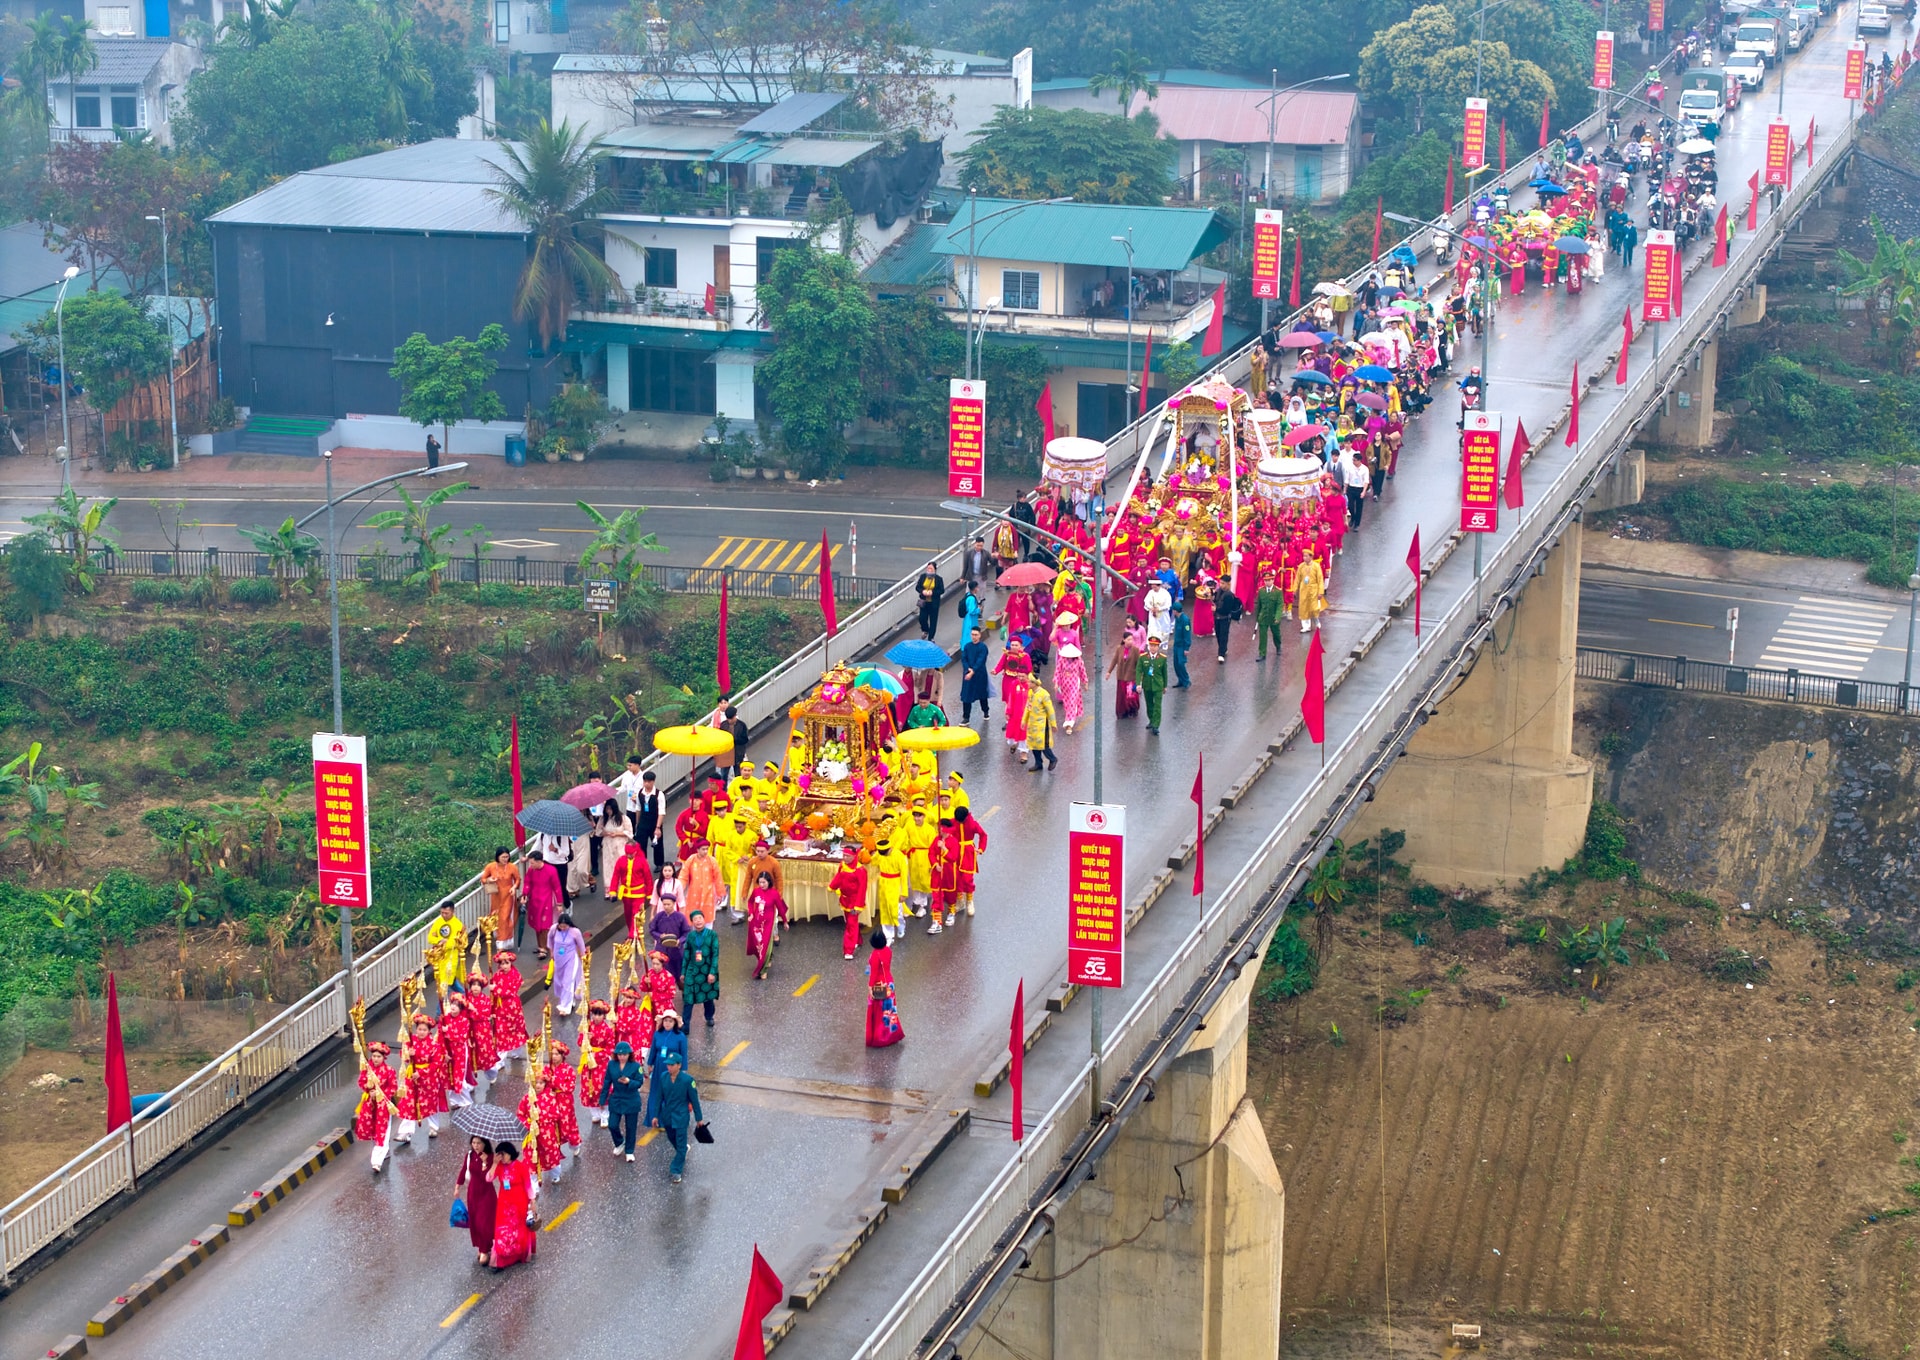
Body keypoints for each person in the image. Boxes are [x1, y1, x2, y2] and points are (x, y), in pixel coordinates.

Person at [645, 1054, 707, 1184]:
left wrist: (699, 1118)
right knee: (672, 1138)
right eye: (668, 1064)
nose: (669, 1067)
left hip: (681, 1116)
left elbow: (694, 1100)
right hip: (667, 1116)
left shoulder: (688, 1080)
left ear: (679, 1065)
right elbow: (659, 1097)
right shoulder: (663, 1077)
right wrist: (655, 1115)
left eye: (672, 1065)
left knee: (680, 1139)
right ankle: (683, 1150)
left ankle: (676, 1170)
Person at [487, 1142, 538, 1268]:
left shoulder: (521, 1167)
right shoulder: (499, 1167)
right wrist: (494, 1163)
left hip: (519, 1203)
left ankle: (518, 1253)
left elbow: (528, 1186)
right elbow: (488, 1178)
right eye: (499, 1155)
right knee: (504, 1230)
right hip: (504, 1204)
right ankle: (503, 1255)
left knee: (519, 1229)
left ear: (510, 1154)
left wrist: (532, 1201)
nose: (501, 1157)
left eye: (503, 1154)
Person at [355, 1041, 399, 1173]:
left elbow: (393, 1088)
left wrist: (380, 1093)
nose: (375, 1059)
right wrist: (368, 1090)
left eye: (378, 1056)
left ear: (383, 1058)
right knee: (373, 1130)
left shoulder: (389, 1071)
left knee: (383, 1131)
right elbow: (361, 1082)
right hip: (369, 1103)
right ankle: (383, 1152)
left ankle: (376, 1162)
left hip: (384, 1105)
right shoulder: (367, 1069)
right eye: (374, 1056)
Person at [599, 1041, 647, 1161]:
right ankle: (620, 1142)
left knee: (631, 1127)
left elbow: (639, 1082)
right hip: (617, 1098)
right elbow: (607, 1081)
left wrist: (629, 1082)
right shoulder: (611, 1065)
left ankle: (629, 1151)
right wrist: (602, 1099)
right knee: (612, 1124)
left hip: (631, 1099)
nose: (622, 1057)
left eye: (624, 1054)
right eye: (619, 1054)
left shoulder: (636, 1066)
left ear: (629, 1054)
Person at [455, 1135, 497, 1263]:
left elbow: (489, 1177)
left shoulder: (491, 1157)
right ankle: (482, 1246)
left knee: (483, 1222)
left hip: (487, 1194)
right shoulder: (470, 1155)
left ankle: (485, 1249)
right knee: (475, 1223)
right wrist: (457, 1187)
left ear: (485, 1144)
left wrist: (486, 1163)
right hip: (473, 1193)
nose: (476, 1146)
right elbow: (464, 1171)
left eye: (479, 1143)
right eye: (473, 1143)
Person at [864, 929, 904, 1048]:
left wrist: (870, 987)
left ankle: (880, 1037)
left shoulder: (875, 955)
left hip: (879, 984)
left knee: (879, 1012)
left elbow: (874, 974)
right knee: (890, 1011)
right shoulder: (888, 951)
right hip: (889, 983)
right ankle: (892, 1034)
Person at [828, 845, 869, 960]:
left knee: (851, 924)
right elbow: (839, 877)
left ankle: (848, 950)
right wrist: (832, 886)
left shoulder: (860, 871)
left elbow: (862, 889)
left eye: (847, 856)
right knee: (851, 923)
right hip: (845, 899)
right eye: (844, 855)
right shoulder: (843, 865)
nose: (844, 858)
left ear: (854, 856)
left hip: (854, 901)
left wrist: (858, 905)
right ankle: (858, 940)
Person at [681, 908, 720, 1027]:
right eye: (695, 919)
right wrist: (683, 972)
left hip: (707, 970)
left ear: (704, 919)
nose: (698, 921)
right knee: (688, 998)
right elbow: (687, 955)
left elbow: (715, 954)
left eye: (700, 918)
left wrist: (712, 972)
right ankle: (685, 1024)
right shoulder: (691, 936)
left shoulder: (712, 935)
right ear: (692, 922)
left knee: (707, 997)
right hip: (692, 970)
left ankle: (709, 1017)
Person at [608, 837, 653, 940]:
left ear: (636, 851)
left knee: (635, 915)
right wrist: (613, 891)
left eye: (631, 854)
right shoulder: (621, 860)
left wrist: (650, 894)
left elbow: (648, 878)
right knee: (628, 916)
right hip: (626, 894)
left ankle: (632, 936)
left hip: (639, 893)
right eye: (627, 853)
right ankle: (632, 932)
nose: (629, 856)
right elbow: (616, 876)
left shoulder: (642, 861)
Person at [746, 870, 784, 980]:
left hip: (769, 922)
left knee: (765, 946)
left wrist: (785, 921)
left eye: (764, 883)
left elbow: (780, 908)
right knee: (760, 945)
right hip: (758, 923)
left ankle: (762, 969)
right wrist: (751, 913)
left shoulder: (774, 893)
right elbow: (750, 902)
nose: (761, 885)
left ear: (769, 882)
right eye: (760, 882)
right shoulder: (756, 891)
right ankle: (768, 958)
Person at [479, 848, 521, 947]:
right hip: (496, 895)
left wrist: (514, 887)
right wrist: (490, 880)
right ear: (498, 857)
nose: (505, 859)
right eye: (503, 857)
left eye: (507, 857)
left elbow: (518, 879)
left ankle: (502, 943)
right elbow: (483, 879)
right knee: (496, 916)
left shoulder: (512, 867)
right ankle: (500, 940)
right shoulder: (491, 866)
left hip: (508, 895)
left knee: (505, 917)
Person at [547, 911, 587, 1015]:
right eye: (561, 926)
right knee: (559, 982)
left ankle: (565, 1007)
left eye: (565, 926)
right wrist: (551, 952)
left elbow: (581, 946)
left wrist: (584, 957)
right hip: (558, 959)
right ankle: (570, 999)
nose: (563, 928)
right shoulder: (554, 929)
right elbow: (550, 939)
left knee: (567, 982)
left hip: (571, 959)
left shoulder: (575, 932)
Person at [648, 890, 691, 983]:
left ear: (674, 904)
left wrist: (680, 941)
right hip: (661, 950)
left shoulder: (680, 917)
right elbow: (652, 929)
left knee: (679, 974)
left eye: (669, 904)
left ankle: (684, 992)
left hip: (676, 950)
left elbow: (686, 932)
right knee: (662, 974)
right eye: (664, 904)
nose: (666, 907)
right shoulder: (659, 916)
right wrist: (660, 936)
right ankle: (663, 994)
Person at [425, 900, 467, 994]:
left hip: (451, 959)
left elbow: (456, 942)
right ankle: (466, 999)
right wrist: (440, 941)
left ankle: (441, 1008)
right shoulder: (438, 921)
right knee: (450, 984)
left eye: (446, 913)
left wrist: (444, 943)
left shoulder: (458, 925)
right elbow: (430, 938)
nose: (444, 915)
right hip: (439, 959)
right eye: (442, 913)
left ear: (452, 912)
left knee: (444, 987)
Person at [523, 857, 562, 953]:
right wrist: (524, 894)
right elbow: (527, 882)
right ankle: (540, 945)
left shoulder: (551, 870)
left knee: (545, 925)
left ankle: (544, 948)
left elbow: (557, 887)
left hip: (546, 899)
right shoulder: (531, 870)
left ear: (539, 861)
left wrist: (559, 903)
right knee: (537, 923)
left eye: (532, 863)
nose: (531, 865)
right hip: (534, 900)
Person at [958, 626, 991, 725]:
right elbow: (963, 659)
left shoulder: (983, 647)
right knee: (966, 695)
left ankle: (985, 711)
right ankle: (966, 717)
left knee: (982, 694)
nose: (974, 637)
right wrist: (968, 668)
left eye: (976, 635)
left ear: (980, 635)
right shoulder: (967, 646)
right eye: (972, 634)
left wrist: (973, 671)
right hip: (968, 673)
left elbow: (980, 661)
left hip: (980, 675)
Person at [1024, 679, 1059, 772]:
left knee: (1043, 745)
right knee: (1034, 745)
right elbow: (1028, 707)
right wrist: (1024, 720)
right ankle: (1038, 763)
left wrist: (1053, 724)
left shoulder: (1044, 694)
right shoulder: (1031, 693)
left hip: (1042, 725)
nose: (1027, 684)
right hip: (1033, 723)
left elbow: (1050, 710)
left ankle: (1052, 759)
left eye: (1029, 682)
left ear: (1035, 683)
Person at [1139, 635, 1170, 735]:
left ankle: (1156, 725)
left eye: (1155, 646)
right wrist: (1138, 683)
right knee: (1149, 704)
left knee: (1157, 705)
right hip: (1147, 685)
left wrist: (1165, 686)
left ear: (1158, 647)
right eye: (1151, 645)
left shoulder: (1162, 659)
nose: (1153, 647)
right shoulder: (1143, 658)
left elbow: (1165, 673)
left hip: (1158, 685)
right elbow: (1138, 671)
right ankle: (1151, 720)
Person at [1254, 571, 1286, 663]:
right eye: (1265, 580)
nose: (1267, 582)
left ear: (1273, 580)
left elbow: (1280, 605)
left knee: (1276, 634)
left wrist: (1277, 617)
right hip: (1263, 617)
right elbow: (1259, 605)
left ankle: (1278, 646)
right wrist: (1257, 617)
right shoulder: (1261, 591)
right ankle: (1262, 653)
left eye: (1269, 580)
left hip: (1273, 617)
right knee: (1263, 636)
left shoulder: (1278, 592)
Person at [717, 704, 750, 781]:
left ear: (735, 716)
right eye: (728, 719)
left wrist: (734, 740)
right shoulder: (723, 725)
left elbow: (745, 740)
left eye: (731, 718)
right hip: (726, 753)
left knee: (738, 774)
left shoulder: (742, 725)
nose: (730, 721)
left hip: (738, 753)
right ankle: (723, 790)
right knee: (724, 774)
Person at [914, 562, 946, 640]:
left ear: (935, 570)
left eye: (931, 569)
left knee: (933, 620)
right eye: (928, 568)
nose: (929, 570)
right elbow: (918, 587)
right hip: (924, 602)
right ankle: (925, 630)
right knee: (922, 618)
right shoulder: (923, 577)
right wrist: (922, 591)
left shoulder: (938, 579)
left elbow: (941, 590)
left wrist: (933, 593)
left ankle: (931, 637)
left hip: (933, 602)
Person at [1170, 597, 1193, 689]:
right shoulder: (1177, 618)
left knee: (1181, 663)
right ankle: (1180, 680)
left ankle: (1186, 680)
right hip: (1176, 644)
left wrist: (1187, 648)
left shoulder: (1185, 620)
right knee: (1176, 664)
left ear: (1175, 611)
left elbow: (1187, 635)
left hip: (1182, 646)